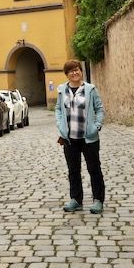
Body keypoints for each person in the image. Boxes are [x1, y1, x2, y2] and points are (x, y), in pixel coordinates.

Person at [55, 59, 106, 214]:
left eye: (77, 69)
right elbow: (58, 108)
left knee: (94, 169)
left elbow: (99, 108)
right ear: (67, 74)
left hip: (89, 138)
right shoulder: (62, 90)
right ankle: (76, 200)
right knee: (73, 170)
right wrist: (60, 125)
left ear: (81, 71)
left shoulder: (90, 89)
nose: (75, 72)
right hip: (70, 138)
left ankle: (98, 200)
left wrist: (96, 125)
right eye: (71, 71)